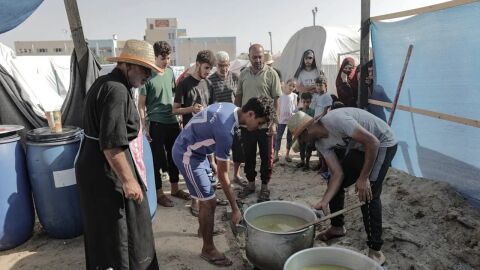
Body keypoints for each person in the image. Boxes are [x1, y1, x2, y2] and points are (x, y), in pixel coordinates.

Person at [75, 39, 159, 270]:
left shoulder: (105, 82)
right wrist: (129, 180)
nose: (148, 76)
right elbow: (111, 144)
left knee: (102, 230)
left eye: (150, 72)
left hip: (94, 166)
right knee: (120, 232)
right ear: (128, 65)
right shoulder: (117, 90)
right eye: (145, 69)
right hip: (107, 169)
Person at [172, 97, 277, 267]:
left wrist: (211, 160)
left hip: (199, 152)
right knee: (209, 202)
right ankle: (208, 249)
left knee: (208, 196)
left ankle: (203, 230)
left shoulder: (230, 107)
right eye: (259, 122)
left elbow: (206, 130)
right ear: (250, 114)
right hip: (187, 154)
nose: (258, 127)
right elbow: (223, 175)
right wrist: (235, 209)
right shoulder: (225, 130)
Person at [287, 107, 397, 265]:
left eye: (301, 139)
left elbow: (373, 142)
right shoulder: (321, 144)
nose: (303, 143)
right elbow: (337, 174)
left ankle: (376, 251)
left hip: (382, 143)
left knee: (368, 193)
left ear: (307, 129)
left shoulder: (337, 121)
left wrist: (363, 177)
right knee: (334, 182)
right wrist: (324, 201)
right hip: (361, 147)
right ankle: (337, 227)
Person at [138, 41, 189, 207]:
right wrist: (145, 127)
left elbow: (174, 97)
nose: (166, 61)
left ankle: (175, 189)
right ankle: (159, 193)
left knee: (174, 157)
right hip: (156, 124)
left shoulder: (170, 73)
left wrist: (179, 117)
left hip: (172, 122)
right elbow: (141, 105)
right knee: (157, 161)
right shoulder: (147, 76)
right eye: (163, 58)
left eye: (168, 58)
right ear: (155, 57)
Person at [234, 44, 282, 202]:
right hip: (248, 125)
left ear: (264, 56)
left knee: (266, 157)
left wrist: (274, 122)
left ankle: (265, 187)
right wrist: (238, 117)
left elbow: (276, 100)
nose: (257, 60)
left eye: (260, 56)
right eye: (254, 57)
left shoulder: (272, 74)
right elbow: (239, 97)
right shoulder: (243, 74)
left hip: (265, 126)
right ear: (249, 57)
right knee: (248, 156)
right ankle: (251, 184)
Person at [208, 51, 245, 185]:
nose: (224, 68)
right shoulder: (210, 81)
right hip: (218, 120)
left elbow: (239, 96)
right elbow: (209, 102)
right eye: (221, 65)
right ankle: (220, 176)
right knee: (220, 149)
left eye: (226, 65)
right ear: (216, 65)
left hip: (234, 118)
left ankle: (236, 174)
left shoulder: (235, 77)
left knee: (238, 147)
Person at [173, 50, 215, 126]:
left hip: (206, 129)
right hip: (190, 130)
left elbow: (212, 108)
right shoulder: (184, 83)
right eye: (206, 68)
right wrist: (192, 109)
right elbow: (175, 110)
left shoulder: (209, 84)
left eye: (210, 68)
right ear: (198, 64)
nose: (208, 71)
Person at [274, 78, 297, 163]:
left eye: (293, 86)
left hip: (291, 120)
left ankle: (287, 154)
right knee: (278, 137)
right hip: (281, 120)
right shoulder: (280, 95)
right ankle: (276, 154)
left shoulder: (294, 96)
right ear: (286, 85)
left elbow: (295, 107)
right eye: (290, 85)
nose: (291, 87)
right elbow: (277, 107)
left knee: (289, 137)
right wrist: (277, 118)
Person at [296, 92, 315, 171]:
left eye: (307, 102)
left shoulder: (312, 111)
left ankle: (307, 163)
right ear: (301, 101)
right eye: (304, 102)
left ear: (310, 102)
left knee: (308, 148)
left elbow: (312, 121)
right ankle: (302, 161)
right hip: (300, 133)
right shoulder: (299, 111)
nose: (305, 104)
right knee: (301, 148)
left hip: (308, 133)